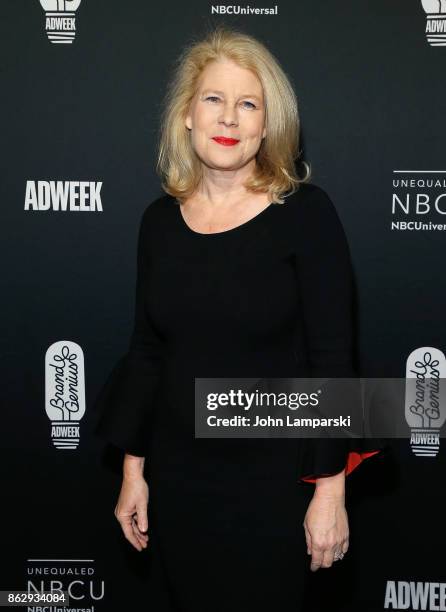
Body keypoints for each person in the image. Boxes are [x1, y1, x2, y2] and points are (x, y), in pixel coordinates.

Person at [93, 24, 384, 612]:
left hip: (272, 486)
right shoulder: (158, 222)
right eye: (214, 100)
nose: (229, 118)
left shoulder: (306, 215)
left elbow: (332, 359)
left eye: (248, 103)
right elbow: (148, 352)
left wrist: (330, 492)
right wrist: (133, 471)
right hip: (180, 482)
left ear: (268, 124)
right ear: (186, 116)